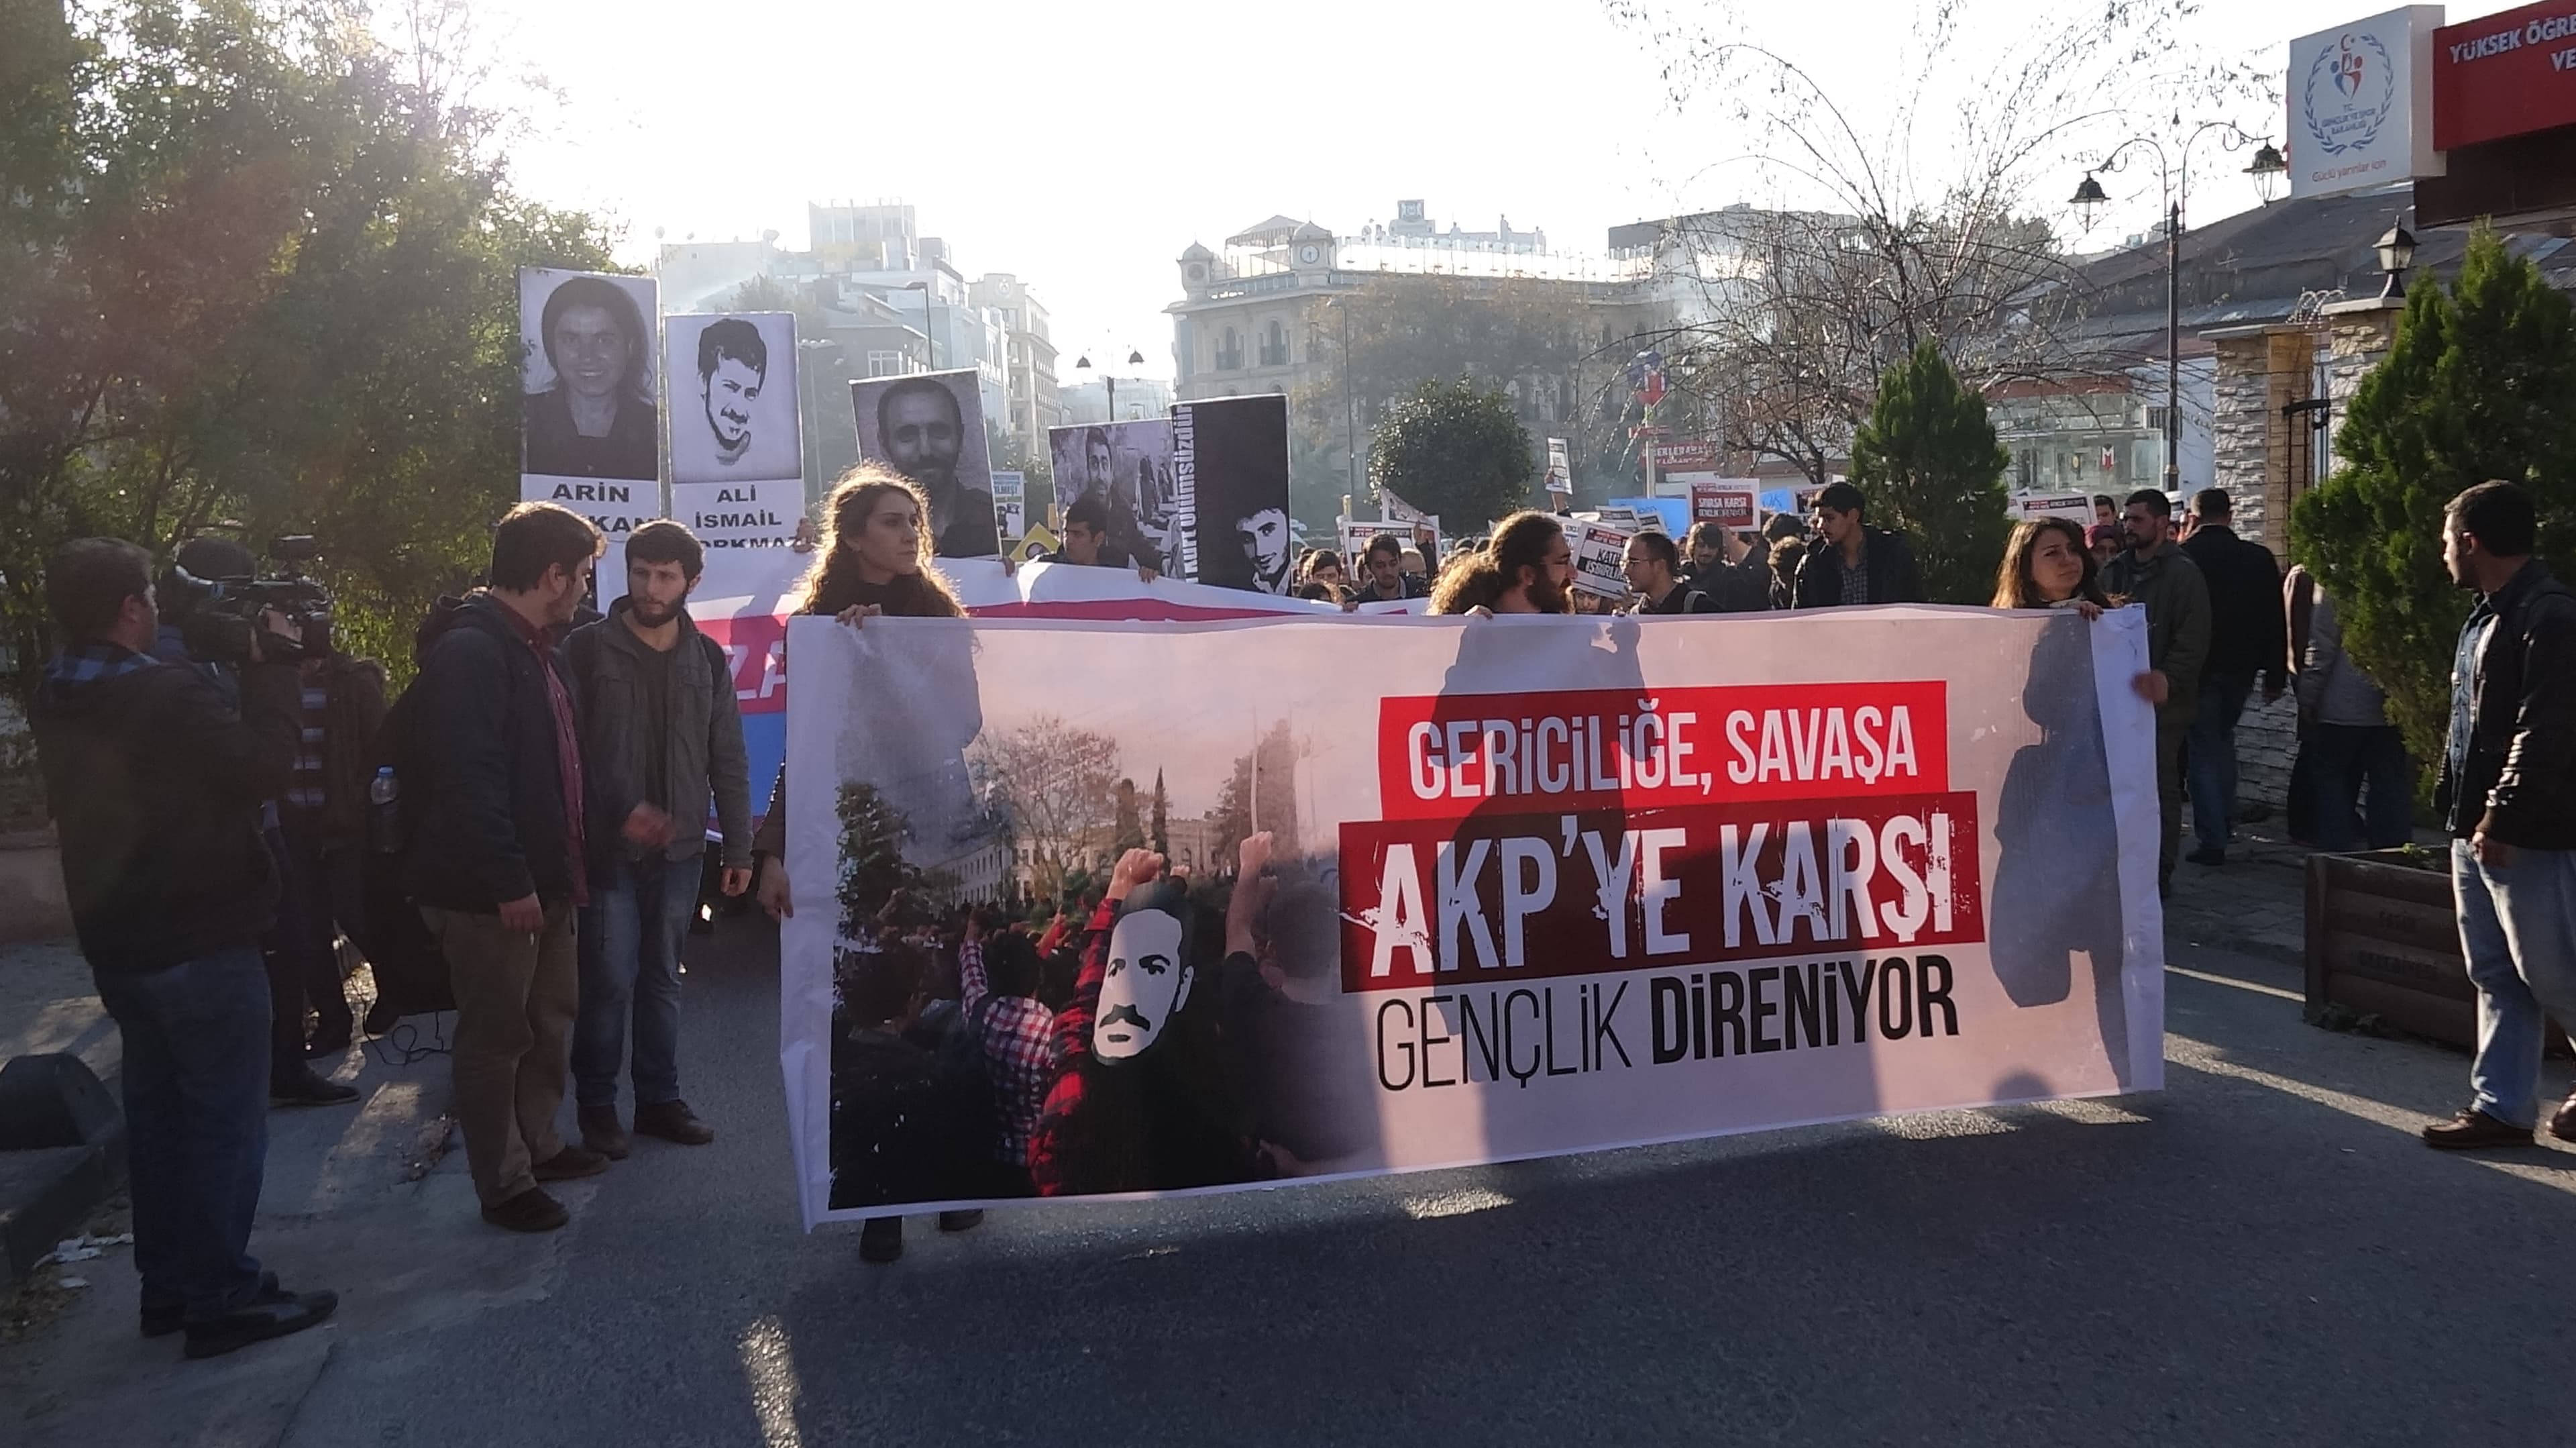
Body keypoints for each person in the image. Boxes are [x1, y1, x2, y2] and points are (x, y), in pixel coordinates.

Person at [29, 537, 338, 1358]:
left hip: (121, 942)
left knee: (162, 1121)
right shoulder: (167, 696)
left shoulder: (57, 691)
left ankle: (168, 1285)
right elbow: (264, 765)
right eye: (154, 599)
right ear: (133, 607)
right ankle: (222, 1296)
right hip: (201, 935)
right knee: (223, 1125)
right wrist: (270, 666)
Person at [751, 466, 985, 1257]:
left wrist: (894, 653)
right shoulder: (818, 627)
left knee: (944, 1004)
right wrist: (772, 852)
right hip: (862, 837)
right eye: (891, 522)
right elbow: (804, 750)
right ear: (851, 538)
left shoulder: (940, 618)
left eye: (913, 521)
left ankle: (954, 1180)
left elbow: (965, 722)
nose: (908, 533)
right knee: (870, 1014)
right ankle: (879, 1200)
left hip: (940, 827)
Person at [405, 503, 609, 1232]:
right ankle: (504, 1182)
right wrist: (508, 881)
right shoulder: (472, 651)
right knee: (496, 1037)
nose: (587, 590)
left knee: (548, 1018)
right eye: (583, 576)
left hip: (545, 882)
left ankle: (541, 1142)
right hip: (492, 893)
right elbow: (470, 778)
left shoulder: (534, 646)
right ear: (554, 575)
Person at [560, 521, 753, 1159]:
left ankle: (659, 1101)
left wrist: (741, 850)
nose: (650, 587)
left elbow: (727, 756)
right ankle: (596, 1108)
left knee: (662, 979)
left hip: (681, 853)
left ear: (691, 583)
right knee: (609, 980)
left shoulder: (708, 659)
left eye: (666, 576)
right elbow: (570, 752)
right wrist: (619, 811)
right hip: (608, 852)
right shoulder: (584, 650)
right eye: (640, 572)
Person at [2421, 482, 2576, 1149]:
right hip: (2477, 824)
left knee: (2555, 970)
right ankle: (2503, 1107)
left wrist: (2502, 815)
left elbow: (2546, 729)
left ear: (2471, 540)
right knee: (2496, 970)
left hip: (2527, 833)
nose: (2444, 552)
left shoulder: (2549, 616)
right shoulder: (2488, 615)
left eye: (2447, 538)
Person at [1029, 850, 1264, 1196]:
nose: (1124, 997)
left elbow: (1080, 1014)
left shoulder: (1071, 1114)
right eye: (1118, 968)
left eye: (1153, 968)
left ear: (1184, 985)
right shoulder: (1231, 1113)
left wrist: (1116, 896)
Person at [2102, 488, 2211, 896]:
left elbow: (2194, 637)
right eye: (2126, 519)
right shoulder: (2114, 571)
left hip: (2163, 705)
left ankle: (2158, 871)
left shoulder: (2184, 575)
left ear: (2164, 524)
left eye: (2137, 520)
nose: (2128, 527)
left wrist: (2168, 677)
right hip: (2117, 700)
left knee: (2158, 788)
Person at [2177, 487, 2288, 866]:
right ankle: (2223, 821)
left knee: (2205, 748)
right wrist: (2276, 672)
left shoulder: (2185, 557)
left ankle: (2213, 838)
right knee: (2221, 741)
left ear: (2194, 514)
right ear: (2231, 513)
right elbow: (2276, 618)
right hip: (2242, 667)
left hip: (2199, 667)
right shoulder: (2257, 559)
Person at [2298, 583, 2412, 854]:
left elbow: (2322, 646)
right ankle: (2393, 855)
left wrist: (2308, 697)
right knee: (2389, 780)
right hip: (2393, 699)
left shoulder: (2335, 580)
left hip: (2342, 702)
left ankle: (2338, 855)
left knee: (2331, 777)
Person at [957, 915, 1056, 1196]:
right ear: (1037, 976)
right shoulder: (1050, 1030)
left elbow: (970, 968)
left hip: (985, 1151)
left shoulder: (980, 1012)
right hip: (1034, 1160)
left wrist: (973, 929)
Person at [523, 274, 657, 481]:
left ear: (629, 347)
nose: (587, 356)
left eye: (604, 340)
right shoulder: (522, 422)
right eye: (571, 340)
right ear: (552, 347)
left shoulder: (658, 433)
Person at [872, 376, 996, 558]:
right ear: (884, 445)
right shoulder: (867, 530)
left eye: (939, 432)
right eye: (908, 435)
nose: (926, 451)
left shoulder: (995, 518)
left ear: (960, 437)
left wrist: (1014, 567)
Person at [1793, 482, 1925, 607]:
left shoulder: (1894, 555)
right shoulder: (1812, 563)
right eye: (1819, 519)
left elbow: (1915, 609)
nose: (1821, 526)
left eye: (1829, 518)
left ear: (1853, 516)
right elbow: (1802, 620)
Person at [1430, 511, 1572, 616]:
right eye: (1563, 562)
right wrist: (1461, 635)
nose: (1573, 573)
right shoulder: (1467, 622)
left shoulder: (1564, 630)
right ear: (1527, 574)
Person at [692, 317, 767, 470]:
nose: (739, 411)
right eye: (731, 388)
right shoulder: (684, 455)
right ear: (703, 382)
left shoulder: (770, 462)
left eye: (750, 394)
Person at [1039, 493, 1158, 581]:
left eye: (1078, 535)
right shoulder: (1045, 567)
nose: (1068, 540)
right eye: (1066, 533)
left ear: (1098, 539)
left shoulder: (1120, 567)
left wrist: (1148, 578)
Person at [1623, 530, 1715, 615]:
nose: (1625, 571)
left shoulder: (1701, 608)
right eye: (1623, 563)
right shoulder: (1636, 615)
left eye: (1633, 562)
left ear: (1660, 565)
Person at [1234, 504, 1293, 594]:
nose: (1259, 552)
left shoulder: (1308, 581)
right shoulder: (1237, 589)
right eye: (1247, 540)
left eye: (1267, 531)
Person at [1350, 533, 1427, 603]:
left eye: (1393, 564)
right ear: (1369, 567)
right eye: (1380, 566)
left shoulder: (1423, 592)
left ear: (1400, 562)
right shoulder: (1359, 603)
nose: (1388, 571)